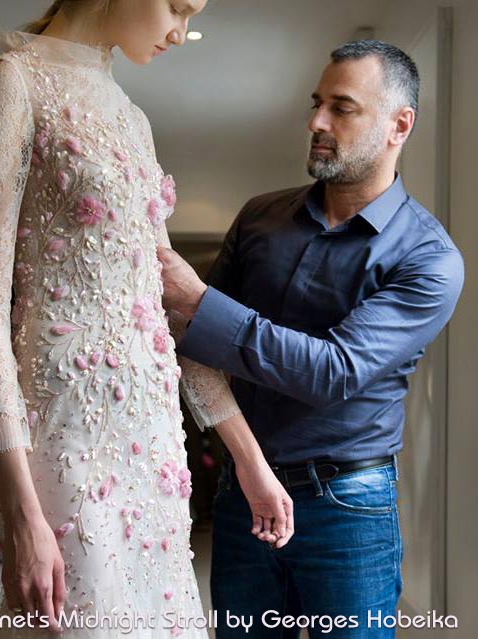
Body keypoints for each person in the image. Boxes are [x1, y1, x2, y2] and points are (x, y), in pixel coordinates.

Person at [0, 1, 294, 637]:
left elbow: (165, 306)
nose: (178, 31)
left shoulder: (133, 119)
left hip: (153, 447)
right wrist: (18, 510)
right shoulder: (13, 82)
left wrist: (249, 461)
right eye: (176, 7)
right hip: (66, 439)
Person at [158, 40, 465, 638]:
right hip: (244, 492)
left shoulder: (430, 258)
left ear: (400, 125)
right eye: (317, 103)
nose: (315, 122)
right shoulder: (259, 218)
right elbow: (193, 346)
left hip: (348, 511)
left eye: (342, 108)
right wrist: (245, 463)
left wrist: (200, 304)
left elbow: (331, 372)